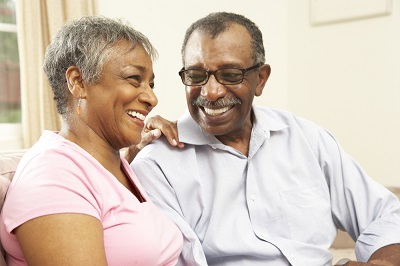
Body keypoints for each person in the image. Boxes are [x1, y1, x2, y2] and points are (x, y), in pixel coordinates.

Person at [131, 12, 400, 266]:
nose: (211, 92)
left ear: (260, 79)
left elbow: (386, 216)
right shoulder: (156, 165)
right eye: (196, 75)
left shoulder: (306, 139)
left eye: (230, 74)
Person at [0, 16, 183, 266]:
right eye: (134, 79)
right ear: (77, 82)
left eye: (150, 84)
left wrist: (136, 152)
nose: (152, 98)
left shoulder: (112, 164)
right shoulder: (53, 176)